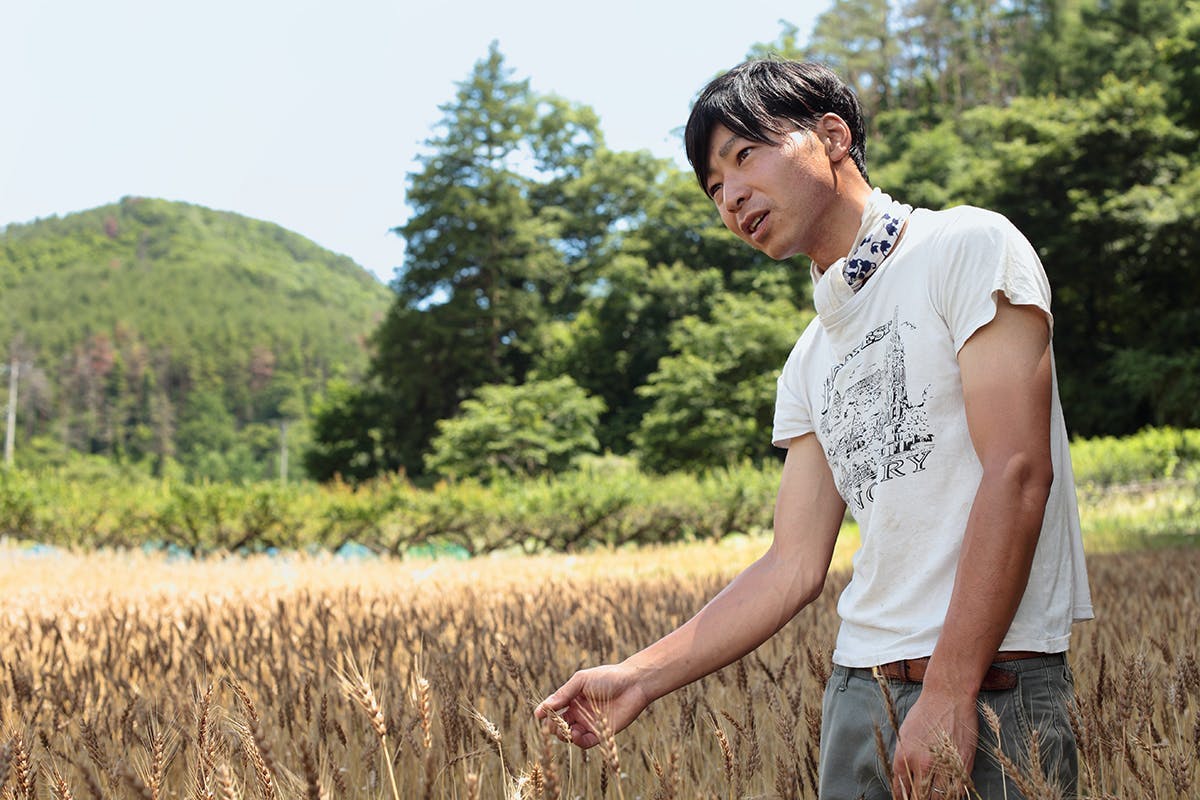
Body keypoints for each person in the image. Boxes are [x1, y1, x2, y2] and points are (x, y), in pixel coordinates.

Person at [536, 59, 1093, 799]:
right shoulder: (808, 357)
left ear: (832, 137)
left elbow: (1019, 472)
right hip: (859, 695)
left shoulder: (966, 247)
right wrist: (637, 677)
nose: (731, 196)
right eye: (713, 187)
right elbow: (791, 566)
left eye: (745, 155)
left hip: (992, 685)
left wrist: (949, 691)